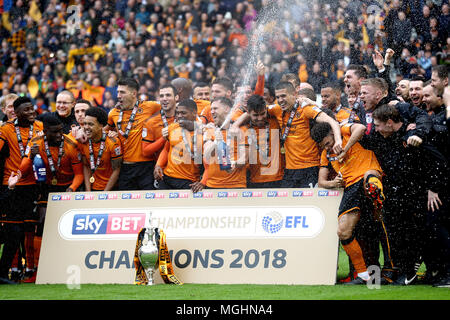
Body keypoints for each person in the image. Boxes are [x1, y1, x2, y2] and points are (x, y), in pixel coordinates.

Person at [362, 104, 449, 286]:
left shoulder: (413, 137)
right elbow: (365, 139)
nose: (375, 129)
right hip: (396, 196)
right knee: (399, 235)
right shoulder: (383, 137)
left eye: (377, 125)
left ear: (390, 122)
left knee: (430, 234)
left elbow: (440, 162)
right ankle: (409, 273)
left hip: (419, 196)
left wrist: (433, 188)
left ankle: (443, 272)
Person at [9, 113, 84, 281]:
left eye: (60, 131)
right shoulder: (35, 143)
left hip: (67, 188)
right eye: (54, 132)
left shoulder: (71, 145)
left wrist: (71, 189)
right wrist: (25, 165)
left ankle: (68, 265)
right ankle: (36, 269)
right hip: (46, 188)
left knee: (69, 228)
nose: (58, 135)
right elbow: (25, 166)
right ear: (44, 131)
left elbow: (79, 174)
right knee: (42, 225)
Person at [312, 120, 386, 284]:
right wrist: (335, 183)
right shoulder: (326, 154)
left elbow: (360, 128)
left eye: (328, 143)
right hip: (351, 188)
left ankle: (376, 193)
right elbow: (322, 182)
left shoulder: (344, 131)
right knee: (343, 232)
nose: (327, 148)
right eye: (323, 146)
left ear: (333, 134)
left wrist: (344, 148)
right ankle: (363, 275)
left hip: (367, 174)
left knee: (370, 177)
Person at [0, 97, 43, 283]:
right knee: (13, 231)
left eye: (32, 108)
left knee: (30, 230)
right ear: (16, 113)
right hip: (12, 186)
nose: (32, 112)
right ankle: (4, 272)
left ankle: (30, 271)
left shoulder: (40, 127)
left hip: (34, 185)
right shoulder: (6, 130)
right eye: (26, 110)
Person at [271, 81, 342, 188]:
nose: (280, 100)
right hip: (290, 170)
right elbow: (255, 110)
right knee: (287, 203)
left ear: (294, 94)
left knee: (309, 203)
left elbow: (332, 122)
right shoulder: (276, 110)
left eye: (283, 96)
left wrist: (338, 140)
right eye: (278, 97)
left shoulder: (306, 109)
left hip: (309, 168)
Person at [105, 77, 161, 190]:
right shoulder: (113, 113)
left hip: (146, 167)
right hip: (124, 168)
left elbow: (171, 106)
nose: (118, 96)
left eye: (122, 92)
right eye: (118, 92)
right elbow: (104, 131)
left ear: (134, 93)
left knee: (148, 203)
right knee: (126, 205)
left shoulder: (150, 106)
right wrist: (110, 134)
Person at [154, 99, 204, 191]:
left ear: (194, 113)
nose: (179, 116)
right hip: (167, 178)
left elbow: (208, 163)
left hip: (189, 182)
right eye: (178, 113)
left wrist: (203, 182)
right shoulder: (173, 127)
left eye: (183, 113)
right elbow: (166, 149)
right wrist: (158, 165)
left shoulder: (203, 133)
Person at [202, 97, 248, 189]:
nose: (212, 112)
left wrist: (234, 163)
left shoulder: (241, 130)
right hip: (213, 185)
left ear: (227, 109)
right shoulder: (209, 130)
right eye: (211, 109)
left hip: (237, 185)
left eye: (215, 108)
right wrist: (216, 142)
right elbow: (207, 155)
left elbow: (244, 159)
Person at [141, 84, 178, 188]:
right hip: (162, 172)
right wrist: (163, 138)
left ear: (176, 97)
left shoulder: (185, 116)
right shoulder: (151, 122)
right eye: (161, 96)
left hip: (185, 171)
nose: (164, 99)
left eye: (168, 95)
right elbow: (145, 151)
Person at [79, 107, 123, 191]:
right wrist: (88, 191)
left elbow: (117, 170)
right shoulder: (83, 141)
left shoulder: (113, 142)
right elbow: (86, 166)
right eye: (85, 123)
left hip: (110, 189)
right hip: (92, 187)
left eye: (91, 124)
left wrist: (104, 193)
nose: (86, 127)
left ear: (101, 125)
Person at [246, 94, 284, 188]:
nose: (260, 118)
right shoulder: (244, 126)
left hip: (278, 179)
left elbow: (281, 106)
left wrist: (268, 108)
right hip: (254, 180)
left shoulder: (274, 119)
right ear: (248, 112)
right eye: (255, 115)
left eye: (262, 113)